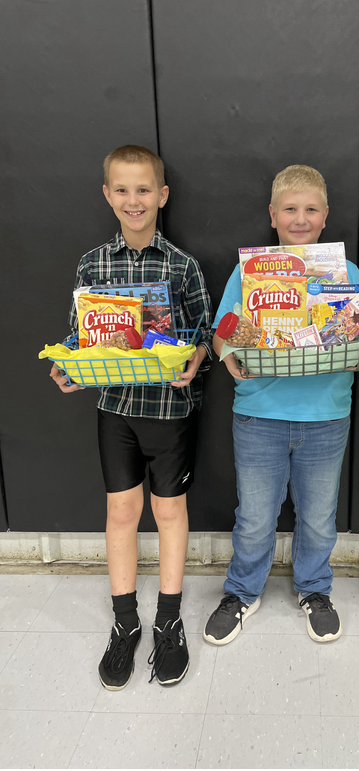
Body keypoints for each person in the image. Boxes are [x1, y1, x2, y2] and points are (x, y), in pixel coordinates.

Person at [50, 145, 213, 687]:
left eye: (144, 189)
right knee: (121, 513)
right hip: (116, 409)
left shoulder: (183, 266)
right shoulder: (91, 264)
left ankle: (169, 621)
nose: (133, 199)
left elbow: (204, 338)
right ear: (106, 195)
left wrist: (194, 364)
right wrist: (70, 367)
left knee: (169, 513)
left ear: (162, 196)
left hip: (169, 411)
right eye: (122, 189)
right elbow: (81, 337)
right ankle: (125, 623)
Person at [204, 165, 359, 646]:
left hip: (326, 416)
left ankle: (314, 590)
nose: (299, 219)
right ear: (272, 216)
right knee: (256, 516)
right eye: (290, 209)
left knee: (319, 517)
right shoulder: (249, 272)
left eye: (310, 210)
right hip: (259, 413)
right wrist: (226, 355)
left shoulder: (345, 272)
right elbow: (223, 329)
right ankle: (242, 591)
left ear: (325, 217)